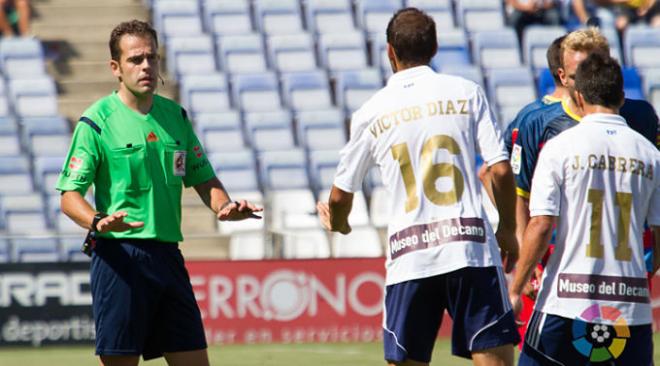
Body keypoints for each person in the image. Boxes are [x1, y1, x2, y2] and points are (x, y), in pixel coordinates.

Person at [317, 8, 520, 366]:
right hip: (469, 246)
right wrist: (507, 228)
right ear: (435, 47)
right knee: (494, 358)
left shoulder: (371, 112)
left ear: (389, 52)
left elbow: (339, 195)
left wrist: (340, 222)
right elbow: (501, 171)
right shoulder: (466, 92)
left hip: (410, 255)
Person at [56, 20, 262, 366]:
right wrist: (97, 220)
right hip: (120, 259)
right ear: (115, 68)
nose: (146, 66)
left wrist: (224, 206)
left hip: (168, 257)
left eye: (152, 57)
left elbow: (203, 178)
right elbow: (68, 196)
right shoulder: (96, 122)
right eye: (136, 59)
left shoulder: (175, 117)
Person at [509, 52, 659, 365]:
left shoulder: (560, 147)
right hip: (629, 306)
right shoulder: (650, 154)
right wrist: (644, 273)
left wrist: (517, 286)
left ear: (578, 97)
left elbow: (541, 224)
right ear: (621, 95)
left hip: (565, 301)